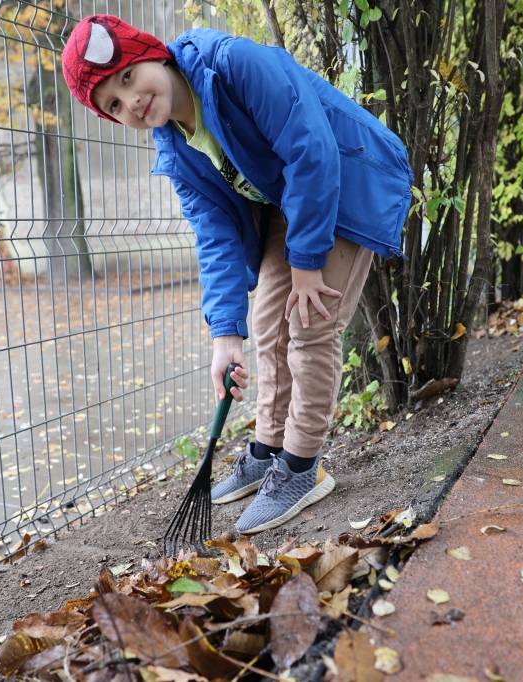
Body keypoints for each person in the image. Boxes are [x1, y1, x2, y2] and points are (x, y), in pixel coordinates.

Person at [62, 15, 411, 534]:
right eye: (112, 104)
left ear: (152, 52)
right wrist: (224, 335)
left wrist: (306, 264)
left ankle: (301, 468)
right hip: (292, 201)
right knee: (267, 324)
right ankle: (268, 450)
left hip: (347, 177)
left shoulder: (233, 65)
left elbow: (310, 148)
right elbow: (215, 236)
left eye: (127, 77)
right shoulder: (176, 150)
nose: (130, 102)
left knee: (310, 321)